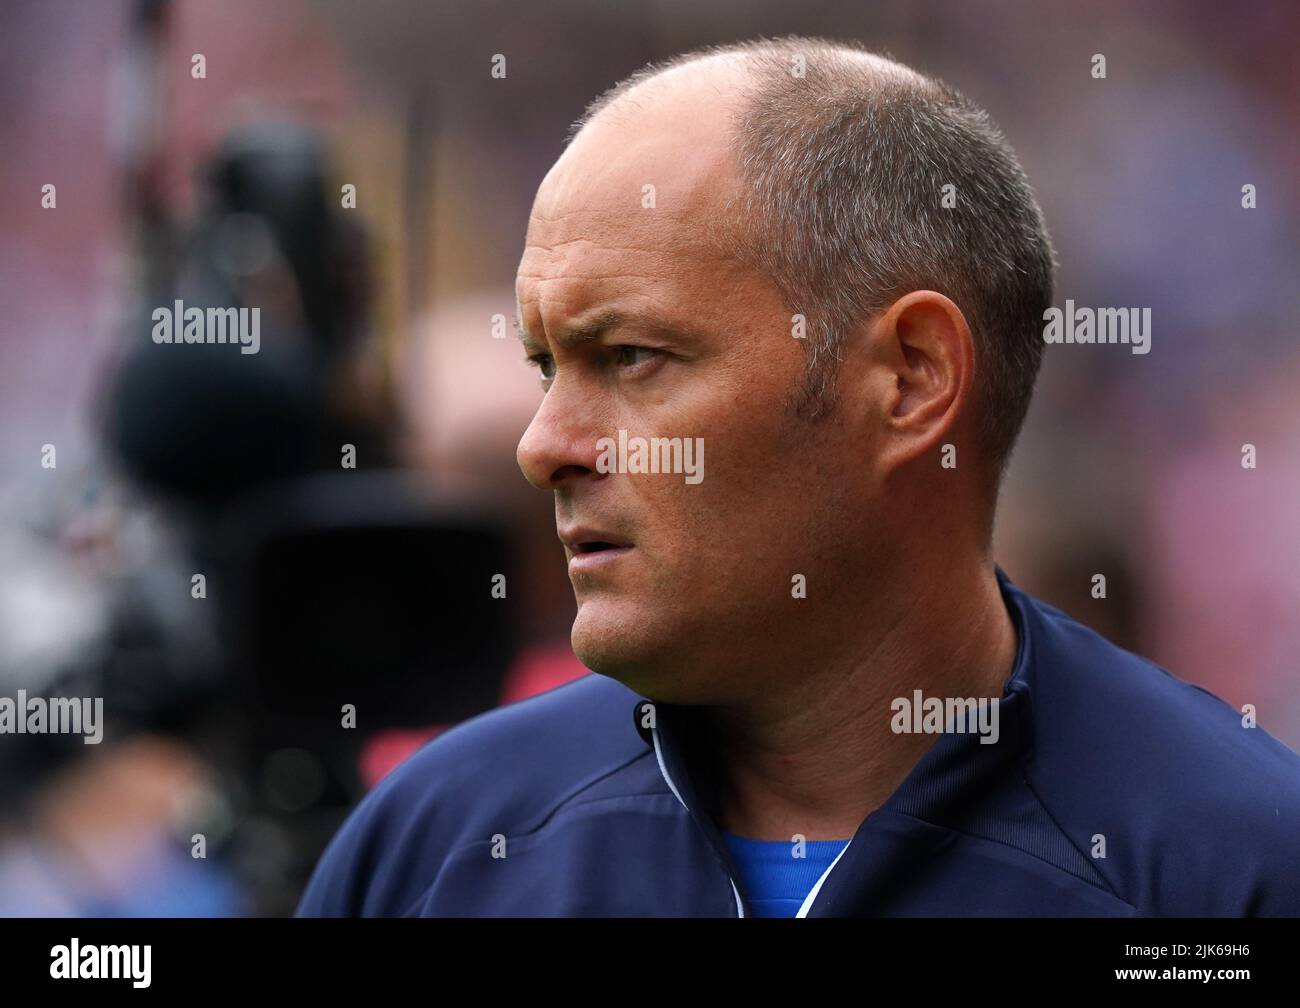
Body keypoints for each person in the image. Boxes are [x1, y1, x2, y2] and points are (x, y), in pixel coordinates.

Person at [297, 37, 1300, 917]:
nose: (540, 446)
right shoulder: (431, 853)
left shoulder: (1232, 867)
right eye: (546, 367)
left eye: (633, 357)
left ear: (911, 377)